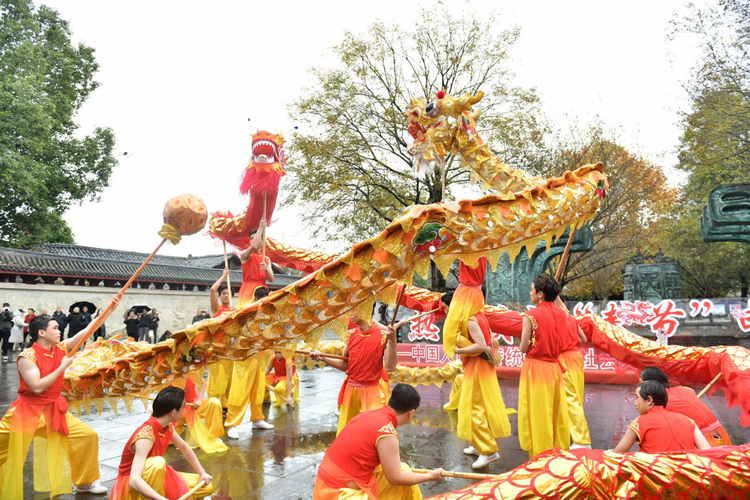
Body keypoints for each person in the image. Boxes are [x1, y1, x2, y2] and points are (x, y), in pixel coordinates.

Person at [0, 313, 114, 497]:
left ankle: (85, 482)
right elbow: (36, 387)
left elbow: (87, 331)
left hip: (54, 410)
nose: (59, 330)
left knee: (87, 436)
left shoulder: (60, 348)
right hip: (27, 413)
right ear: (41, 333)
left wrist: (109, 310)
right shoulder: (26, 357)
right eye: (55, 327)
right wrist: (63, 366)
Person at [313, 383, 444, 499]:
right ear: (411, 413)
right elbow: (395, 478)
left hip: (323, 482)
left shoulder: (367, 414)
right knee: (400, 475)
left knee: (404, 468)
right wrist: (430, 476)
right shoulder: (387, 433)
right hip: (335, 492)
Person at [441, 291, 511, 468]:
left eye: (446, 307)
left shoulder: (470, 320)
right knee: (474, 407)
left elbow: (481, 346)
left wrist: (456, 350)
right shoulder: (477, 316)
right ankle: (477, 443)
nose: (445, 311)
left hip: (478, 368)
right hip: (478, 366)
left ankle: (488, 451)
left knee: (474, 409)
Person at [110, 386, 214, 500]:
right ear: (173, 412)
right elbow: (134, 480)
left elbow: (184, 447)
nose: (185, 409)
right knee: (157, 463)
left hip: (156, 476)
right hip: (132, 486)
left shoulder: (167, 425)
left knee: (207, 487)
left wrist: (202, 472)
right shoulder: (146, 436)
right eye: (184, 406)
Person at [310, 307, 398, 435]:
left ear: (365, 311)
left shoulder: (384, 336)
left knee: (372, 435)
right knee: (347, 434)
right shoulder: (351, 334)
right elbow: (346, 365)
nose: (351, 314)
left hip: (372, 392)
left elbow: (390, 367)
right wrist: (322, 358)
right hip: (351, 391)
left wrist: (392, 340)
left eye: (355, 310)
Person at [518, 274, 570, 459]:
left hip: (536, 368)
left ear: (540, 294)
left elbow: (524, 347)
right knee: (555, 412)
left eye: (532, 289)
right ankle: (557, 453)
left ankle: (541, 457)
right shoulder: (562, 314)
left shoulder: (530, 315)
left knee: (538, 414)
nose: (530, 292)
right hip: (555, 368)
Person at [224, 286, 274, 439]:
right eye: (259, 298)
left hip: (259, 356)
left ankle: (257, 419)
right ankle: (232, 423)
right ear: (254, 298)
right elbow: (233, 329)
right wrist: (234, 315)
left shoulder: (268, 315)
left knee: (258, 389)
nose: (262, 302)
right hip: (244, 356)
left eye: (264, 298)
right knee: (239, 390)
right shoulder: (244, 313)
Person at [639, 366, 732, 447]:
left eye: (641, 384)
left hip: (705, 443)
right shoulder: (686, 390)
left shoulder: (658, 401)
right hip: (724, 437)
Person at [613, 380, 711, 453]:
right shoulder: (688, 420)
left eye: (637, 397)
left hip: (655, 477)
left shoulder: (639, 422)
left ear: (649, 400)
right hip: (687, 475)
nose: (635, 403)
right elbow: (708, 452)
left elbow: (616, 454)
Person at [555, 296, 591, 449]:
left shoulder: (556, 320)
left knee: (571, 399)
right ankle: (577, 434)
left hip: (564, 358)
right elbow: (583, 338)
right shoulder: (571, 318)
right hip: (576, 357)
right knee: (577, 396)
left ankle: (582, 440)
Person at [442, 256, 487, 359]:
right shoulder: (481, 317)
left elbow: (481, 347)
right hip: (473, 288)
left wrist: (459, 351)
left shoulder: (471, 320)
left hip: (476, 366)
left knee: (450, 332)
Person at [175, 378, 227, 455]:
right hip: (176, 413)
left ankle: (213, 435)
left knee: (214, 402)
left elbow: (203, 382)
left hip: (193, 407)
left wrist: (199, 399)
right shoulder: (168, 373)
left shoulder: (191, 372)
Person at [237, 220, 274, 306]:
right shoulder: (245, 255)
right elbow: (254, 246)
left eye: (256, 238)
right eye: (251, 238)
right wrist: (261, 227)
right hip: (248, 290)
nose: (253, 240)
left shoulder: (267, 259)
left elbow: (271, 279)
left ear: (262, 240)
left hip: (263, 291)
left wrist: (267, 269)